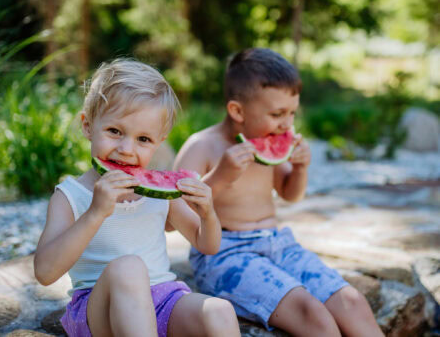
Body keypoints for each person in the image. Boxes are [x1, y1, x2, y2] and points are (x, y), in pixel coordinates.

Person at [174, 48, 383, 337]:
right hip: (225, 254)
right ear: (237, 111)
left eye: (292, 113)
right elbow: (171, 217)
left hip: (278, 244)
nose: (287, 124)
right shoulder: (202, 146)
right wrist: (219, 177)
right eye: (277, 114)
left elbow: (289, 193)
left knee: (352, 302)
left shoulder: (267, 139)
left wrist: (299, 169)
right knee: (313, 315)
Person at [34, 59, 240, 337]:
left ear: (159, 140)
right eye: (115, 131)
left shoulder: (161, 193)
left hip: (163, 300)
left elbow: (208, 244)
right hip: (100, 309)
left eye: (143, 139)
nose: (126, 149)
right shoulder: (70, 196)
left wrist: (208, 213)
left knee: (220, 311)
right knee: (128, 267)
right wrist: (95, 213)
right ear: (87, 126)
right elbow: (45, 272)